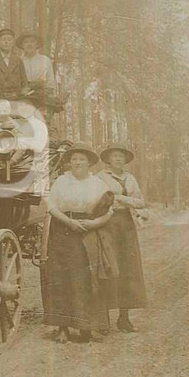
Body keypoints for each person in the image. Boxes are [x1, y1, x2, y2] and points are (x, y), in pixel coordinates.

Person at [43, 142, 118, 344]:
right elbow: (51, 206)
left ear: (89, 163)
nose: (78, 162)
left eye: (82, 159)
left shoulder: (98, 184)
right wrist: (69, 222)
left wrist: (93, 223)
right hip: (63, 230)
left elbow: (108, 212)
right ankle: (63, 328)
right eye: (74, 159)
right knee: (62, 277)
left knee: (89, 278)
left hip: (88, 231)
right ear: (69, 162)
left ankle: (87, 328)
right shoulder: (61, 181)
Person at [97, 143, 148, 332]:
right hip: (106, 223)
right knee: (107, 266)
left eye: (121, 156)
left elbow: (140, 202)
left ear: (125, 160)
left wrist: (121, 199)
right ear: (108, 159)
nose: (118, 159)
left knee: (128, 267)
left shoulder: (130, 178)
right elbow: (98, 199)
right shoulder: (100, 177)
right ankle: (103, 319)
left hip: (125, 224)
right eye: (114, 156)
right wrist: (113, 202)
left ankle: (124, 318)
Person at [0, 28, 27, 104]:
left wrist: (23, 99)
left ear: (13, 42)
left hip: (16, 100)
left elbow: (24, 82)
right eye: (3, 40)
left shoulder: (18, 60)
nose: (6, 42)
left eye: (9, 39)